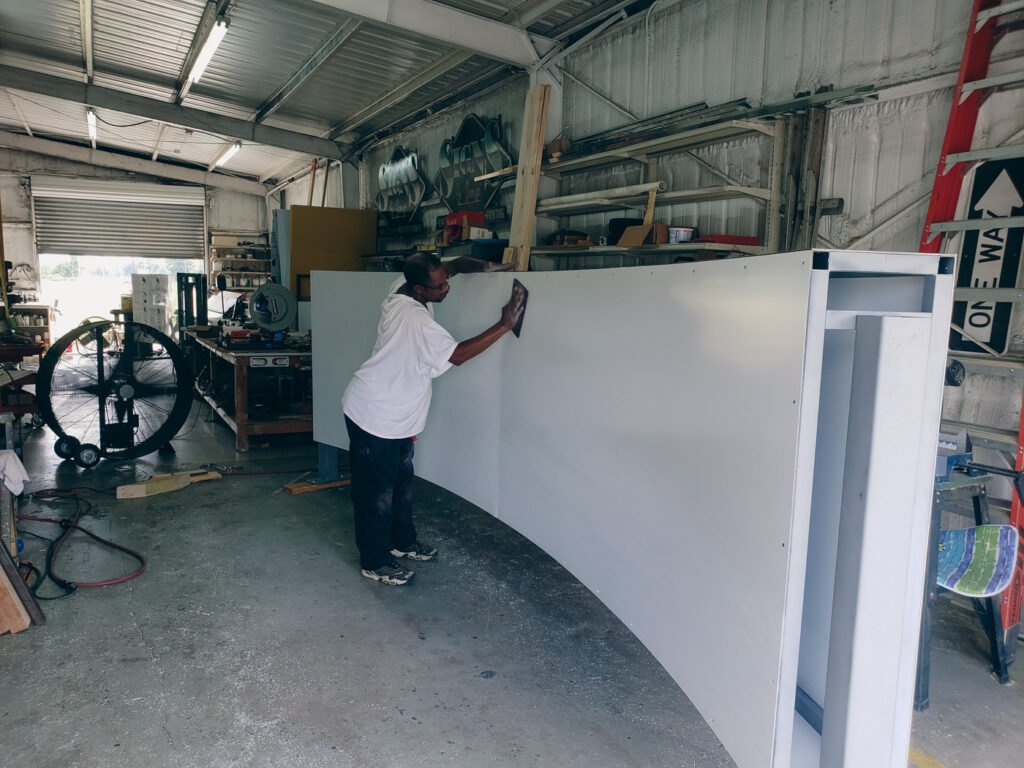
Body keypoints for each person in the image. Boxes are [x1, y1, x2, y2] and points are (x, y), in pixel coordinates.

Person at [341, 254, 526, 586]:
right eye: (439, 287)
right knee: (375, 494)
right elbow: (456, 356)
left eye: (445, 280)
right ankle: (375, 559)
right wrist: (505, 324)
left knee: (400, 485)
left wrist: (490, 267)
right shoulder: (415, 321)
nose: (447, 287)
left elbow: (454, 264)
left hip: (399, 418)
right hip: (375, 416)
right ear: (419, 290)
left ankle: (402, 542)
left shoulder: (402, 287)